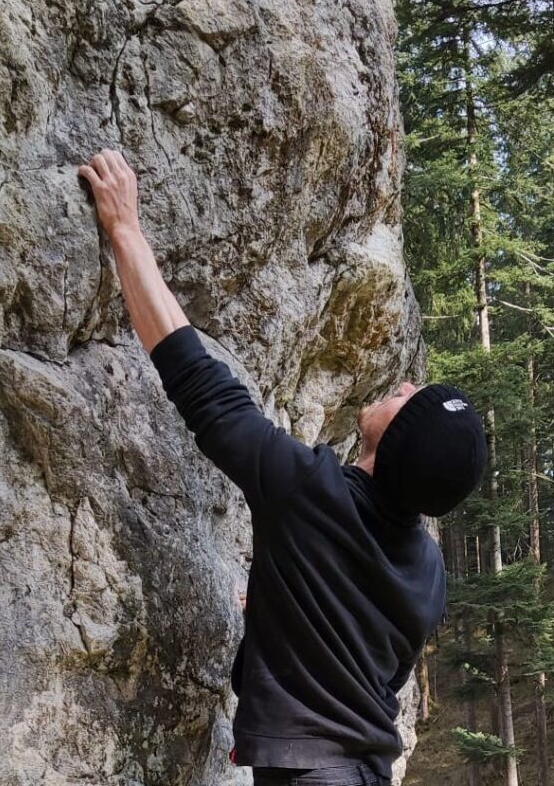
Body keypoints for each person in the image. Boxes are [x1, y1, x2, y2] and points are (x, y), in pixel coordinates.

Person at [78, 149, 487, 786]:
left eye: (410, 399)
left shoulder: (310, 491)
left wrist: (125, 229)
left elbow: (201, 386)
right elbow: (360, 658)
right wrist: (277, 606)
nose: (403, 383)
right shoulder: (428, 570)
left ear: (397, 441)